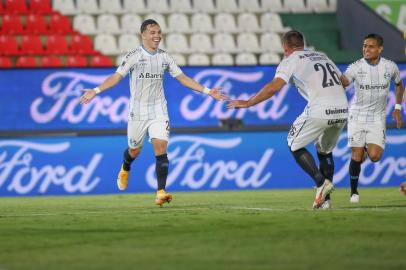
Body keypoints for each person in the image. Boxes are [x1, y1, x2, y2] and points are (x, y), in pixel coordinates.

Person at [79, 19, 227, 206]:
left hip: (159, 109)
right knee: (135, 150)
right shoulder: (133, 56)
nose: (157, 36)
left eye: (159, 32)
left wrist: (207, 91)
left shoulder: (165, 57)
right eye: (153, 32)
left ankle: (161, 192)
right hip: (137, 112)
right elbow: (116, 77)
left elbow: (182, 77)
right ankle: (125, 168)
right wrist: (96, 90)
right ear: (143, 35)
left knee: (161, 146)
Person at [227, 30, 348, 209]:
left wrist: (248, 103)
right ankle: (325, 201)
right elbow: (345, 82)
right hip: (342, 108)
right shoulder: (322, 56)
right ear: (302, 44)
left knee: (294, 143)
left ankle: (321, 182)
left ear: (285, 47)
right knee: (324, 151)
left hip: (320, 108)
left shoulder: (290, 61)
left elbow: (273, 87)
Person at [340, 33, 404, 203]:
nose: (366, 49)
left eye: (371, 46)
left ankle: (364, 151)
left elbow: (399, 85)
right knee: (356, 154)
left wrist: (397, 108)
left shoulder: (390, 67)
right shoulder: (356, 67)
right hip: (357, 115)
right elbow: (345, 82)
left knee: (375, 156)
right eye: (364, 46)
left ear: (380, 48)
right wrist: (334, 73)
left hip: (378, 117)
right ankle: (354, 192)